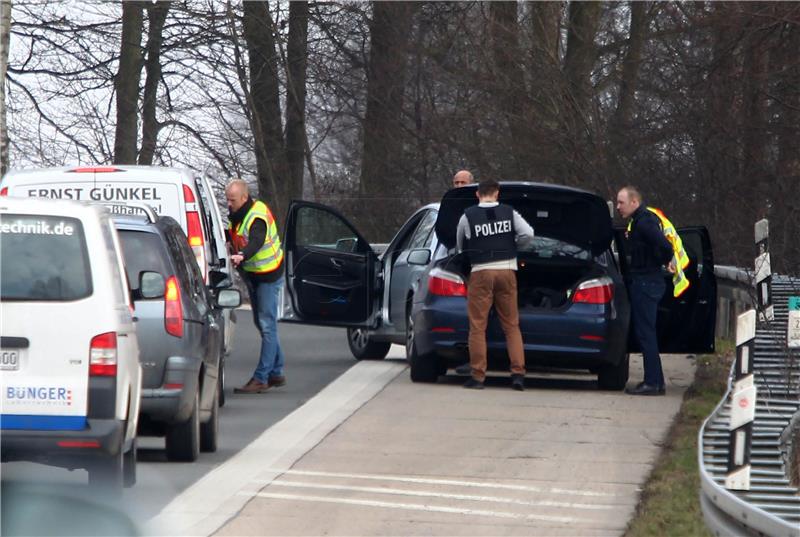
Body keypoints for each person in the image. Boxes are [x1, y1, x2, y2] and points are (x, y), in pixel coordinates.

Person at [457, 179, 534, 390]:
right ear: (497, 193)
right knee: (511, 325)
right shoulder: (510, 212)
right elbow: (529, 233)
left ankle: (478, 376)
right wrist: (513, 247)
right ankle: (518, 374)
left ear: (477, 194)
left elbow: (460, 246)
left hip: (481, 271)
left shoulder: (468, 216)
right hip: (507, 269)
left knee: (477, 326)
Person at [225, 179, 287, 394]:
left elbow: (257, 240)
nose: (229, 204)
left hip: (269, 275)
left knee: (267, 325)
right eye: (227, 199)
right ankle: (277, 372)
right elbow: (233, 235)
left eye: (232, 200)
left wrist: (242, 255)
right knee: (262, 324)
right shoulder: (238, 215)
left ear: (244, 197)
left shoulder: (256, 216)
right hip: (255, 275)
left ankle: (262, 377)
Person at [616, 185, 675, 396]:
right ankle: (656, 382)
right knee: (646, 332)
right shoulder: (638, 221)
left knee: (646, 333)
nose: (618, 207)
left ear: (634, 202)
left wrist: (661, 261)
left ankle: (651, 382)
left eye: (621, 202)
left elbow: (665, 246)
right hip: (646, 280)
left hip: (647, 282)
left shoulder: (644, 222)